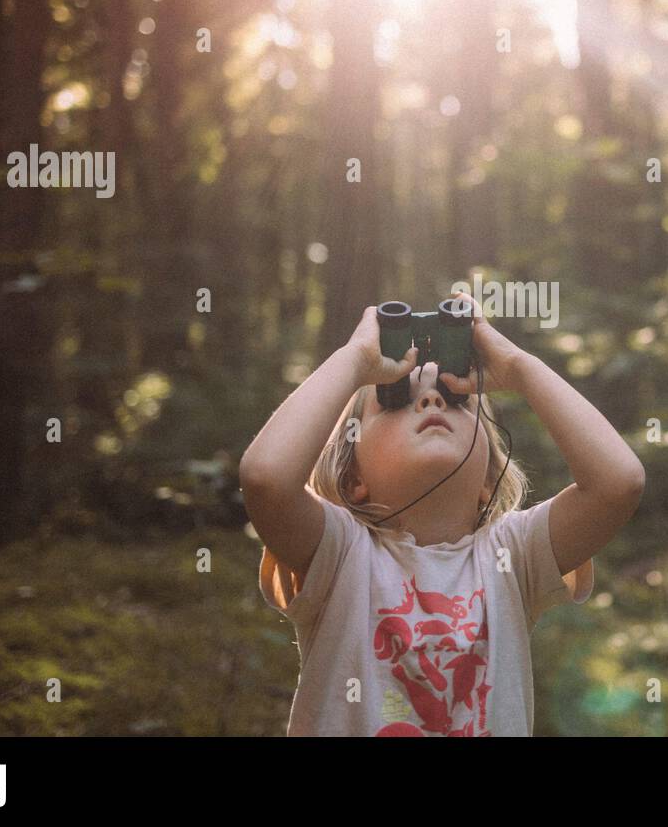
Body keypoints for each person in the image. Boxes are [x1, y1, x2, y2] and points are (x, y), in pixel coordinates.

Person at [240, 292, 645, 735]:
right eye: (395, 399)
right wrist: (355, 359)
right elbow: (265, 478)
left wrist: (518, 368)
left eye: (456, 400)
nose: (432, 401)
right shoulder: (339, 555)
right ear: (353, 476)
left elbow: (619, 483)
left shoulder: (513, 556)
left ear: (489, 478)